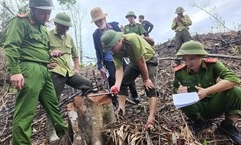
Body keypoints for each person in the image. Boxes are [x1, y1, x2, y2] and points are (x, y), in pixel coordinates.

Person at [3, 0, 67, 144]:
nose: (46, 16)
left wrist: (50, 54)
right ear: (32, 9)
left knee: (54, 107)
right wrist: (15, 71)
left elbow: (37, 48)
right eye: (42, 12)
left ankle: (67, 137)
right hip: (29, 70)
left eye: (48, 13)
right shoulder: (21, 22)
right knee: (25, 113)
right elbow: (11, 46)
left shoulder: (43, 28)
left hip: (45, 70)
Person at [173, 40, 241, 144]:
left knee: (235, 91)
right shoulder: (180, 72)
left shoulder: (213, 65)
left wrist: (207, 91)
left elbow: (233, 79)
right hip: (196, 107)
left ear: (201, 56)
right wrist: (179, 93)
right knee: (181, 99)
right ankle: (198, 121)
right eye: (185, 59)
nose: (188, 63)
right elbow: (175, 91)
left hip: (214, 104)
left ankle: (227, 125)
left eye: (192, 58)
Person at [47, 12, 94, 142]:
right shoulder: (48, 35)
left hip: (69, 72)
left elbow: (75, 55)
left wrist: (77, 68)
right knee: (52, 102)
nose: (65, 29)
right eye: (63, 26)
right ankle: (53, 132)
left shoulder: (69, 38)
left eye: (67, 27)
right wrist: (48, 57)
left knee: (88, 84)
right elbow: (41, 52)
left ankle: (85, 116)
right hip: (56, 72)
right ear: (56, 24)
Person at [101, 30, 158, 128]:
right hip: (135, 61)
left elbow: (141, 61)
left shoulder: (132, 39)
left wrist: (146, 79)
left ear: (119, 40)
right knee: (123, 83)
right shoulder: (115, 51)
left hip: (149, 59)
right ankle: (121, 109)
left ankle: (151, 116)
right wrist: (117, 85)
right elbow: (119, 69)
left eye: (112, 47)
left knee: (150, 87)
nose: (111, 50)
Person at [91, 7, 140, 106]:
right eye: (96, 22)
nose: (99, 23)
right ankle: (114, 101)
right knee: (112, 79)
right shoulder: (96, 34)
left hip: (120, 55)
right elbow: (98, 49)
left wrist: (129, 53)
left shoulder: (114, 26)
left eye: (100, 20)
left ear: (104, 19)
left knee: (127, 75)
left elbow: (123, 38)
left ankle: (135, 96)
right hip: (108, 59)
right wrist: (100, 65)